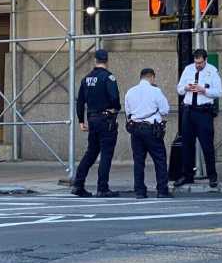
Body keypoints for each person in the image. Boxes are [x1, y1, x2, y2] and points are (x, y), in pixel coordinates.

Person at [72, 48, 122, 198]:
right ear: (107, 60)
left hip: (92, 119)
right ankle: (102, 188)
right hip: (106, 119)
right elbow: (114, 98)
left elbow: (80, 102)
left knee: (91, 152)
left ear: (95, 60)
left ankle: (78, 184)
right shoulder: (108, 78)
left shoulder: (86, 78)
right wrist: (116, 108)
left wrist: (81, 120)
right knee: (106, 154)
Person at [175, 48, 222, 189]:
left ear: (205, 60)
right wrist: (186, 88)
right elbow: (179, 88)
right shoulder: (188, 69)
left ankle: (212, 176)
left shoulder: (212, 71)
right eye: (196, 63)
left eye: (200, 63)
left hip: (203, 112)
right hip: (188, 111)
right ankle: (187, 175)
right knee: (187, 145)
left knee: (207, 146)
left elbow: (219, 92)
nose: (198, 65)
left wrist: (204, 90)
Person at [124, 68, 173, 199]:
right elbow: (165, 110)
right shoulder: (155, 91)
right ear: (152, 77)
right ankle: (162, 190)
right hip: (151, 129)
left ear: (141, 77)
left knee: (138, 161)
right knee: (160, 159)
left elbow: (128, 112)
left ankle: (140, 191)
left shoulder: (130, 92)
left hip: (135, 129)